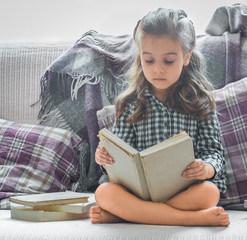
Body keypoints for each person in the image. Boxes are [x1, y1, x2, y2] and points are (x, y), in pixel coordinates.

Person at [90, 8, 230, 226]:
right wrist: (105, 159)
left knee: (209, 193)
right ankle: (190, 219)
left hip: (184, 190)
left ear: (186, 57)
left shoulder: (201, 101)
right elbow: (121, 158)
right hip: (138, 193)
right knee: (104, 192)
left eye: (168, 61)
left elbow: (214, 152)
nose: (158, 70)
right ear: (140, 58)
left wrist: (206, 167)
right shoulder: (129, 104)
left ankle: (129, 215)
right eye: (149, 60)